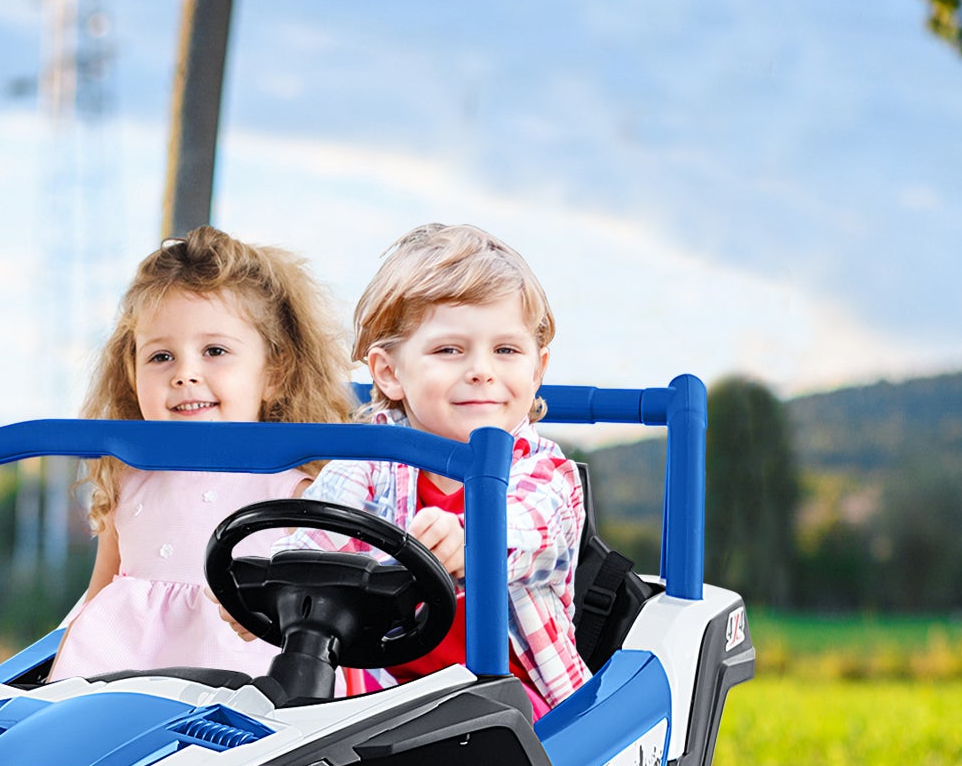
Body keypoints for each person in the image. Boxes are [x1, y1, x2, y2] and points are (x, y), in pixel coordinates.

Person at [279, 223, 590, 718]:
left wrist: (470, 541)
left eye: (506, 350)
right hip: (381, 703)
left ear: (537, 369)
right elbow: (313, 535)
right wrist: (282, 583)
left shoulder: (545, 471)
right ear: (389, 372)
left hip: (519, 706)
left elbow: (529, 531)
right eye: (450, 350)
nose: (482, 370)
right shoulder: (370, 461)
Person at [49, 226, 350, 680]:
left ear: (273, 373)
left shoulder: (293, 489)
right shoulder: (129, 479)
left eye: (214, 350)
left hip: (235, 694)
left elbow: (321, 614)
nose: (185, 374)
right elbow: (97, 595)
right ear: (131, 374)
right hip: (111, 682)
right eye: (160, 357)